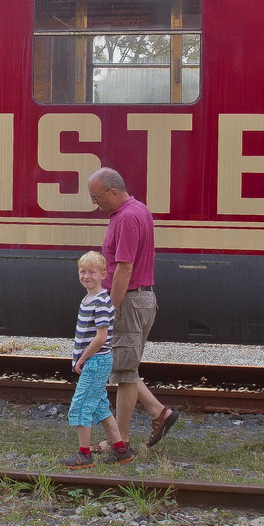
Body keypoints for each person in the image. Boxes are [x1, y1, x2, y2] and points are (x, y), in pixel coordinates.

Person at [88, 167, 179, 448]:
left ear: (113, 192)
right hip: (140, 298)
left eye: (97, 197)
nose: (95, 203)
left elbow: (124, 269)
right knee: (124, 369)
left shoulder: (126, 218)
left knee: (124, 371)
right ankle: (153, 416)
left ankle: (126, 437)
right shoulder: (139, 210)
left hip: (128, 299)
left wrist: (110, 308)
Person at [61, 251, 133, 469]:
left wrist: (81, 359)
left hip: (95, 361)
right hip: (96, 361)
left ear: (103, 274)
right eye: (82, 271)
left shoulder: (101, 302)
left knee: (80, 407)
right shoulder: (89, 298)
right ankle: (122, 451)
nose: (86, 276)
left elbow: (101, 338)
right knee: (101, 407)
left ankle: (84, 455)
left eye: (91, 272)